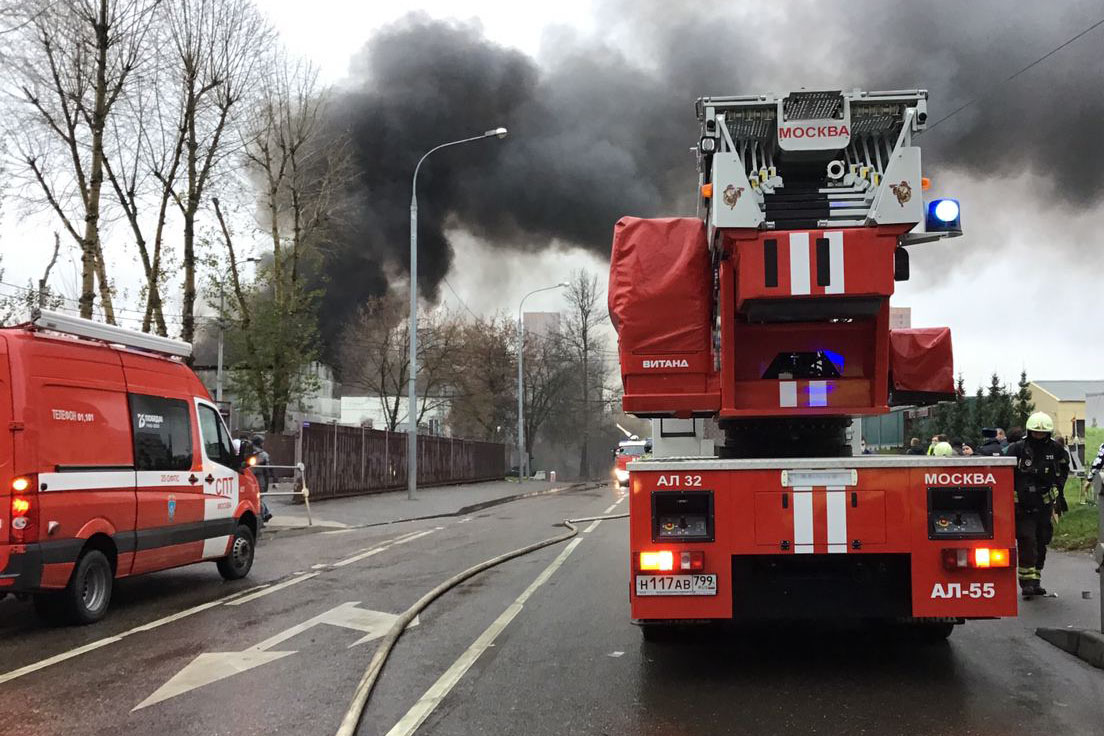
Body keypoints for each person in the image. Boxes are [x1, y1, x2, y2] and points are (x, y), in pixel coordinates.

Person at [1004, 412, 1069, 598]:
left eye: (1042, 433)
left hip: (1044, 504)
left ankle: (1036, 579)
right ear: (1029, 431)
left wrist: (1058, 487)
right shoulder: (1017, 449)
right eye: (1035, 432)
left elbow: (1064, 468)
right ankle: (1026, 584)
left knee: (1042, 541)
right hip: (1022, 506)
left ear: (1048, 433)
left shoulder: (1055, 449)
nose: (1038, 436)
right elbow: (1005, 474)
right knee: (1027, 540)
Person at [250, 434, 274, 524]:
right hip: (259, 477)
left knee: (257, 498)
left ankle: (264, 514)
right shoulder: (263, 455)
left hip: (250, 477)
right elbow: (268, 468)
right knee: (258, 497)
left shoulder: (248, 452)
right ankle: (264, 515)